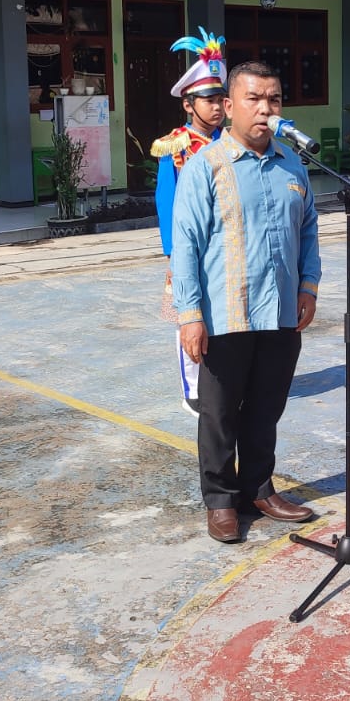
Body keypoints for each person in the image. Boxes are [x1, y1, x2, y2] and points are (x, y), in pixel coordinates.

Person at [171, 61, 322, 544]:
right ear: (230, 107)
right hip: (224, 315)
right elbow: (187, 244)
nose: (265, 109)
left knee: (266, 407)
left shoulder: (292, 164)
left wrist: (309, 286)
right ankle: (220, 501)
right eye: (254, 99)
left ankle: (258, 488)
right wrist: (190, 316)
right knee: (219, 414)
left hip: (279, 310)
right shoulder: (205, 168)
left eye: (274, 100)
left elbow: (309, 228)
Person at [151, 27, 227, 417]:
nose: (217, 107)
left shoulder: (229, 142)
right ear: (188, 104)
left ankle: (221, 381)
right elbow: (166, 201)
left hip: (225, 245)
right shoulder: (176, 145)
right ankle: (192, 389)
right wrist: (174, 251)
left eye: (221, 99)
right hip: (189, 245)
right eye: (208, 100)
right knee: (189, 317)